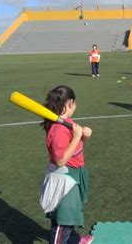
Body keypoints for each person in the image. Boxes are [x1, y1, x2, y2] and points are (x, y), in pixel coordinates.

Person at [40, 86, 94, 244]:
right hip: (63, 179)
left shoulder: (68, 123)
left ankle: (75, 240)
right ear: (70, 103)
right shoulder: (58, 130)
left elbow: (74, 149)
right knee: (63, 221)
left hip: (72, 175)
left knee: (69, 216)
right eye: (75, 104)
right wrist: (77, 137)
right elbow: (61, 159)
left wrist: (83, 137)